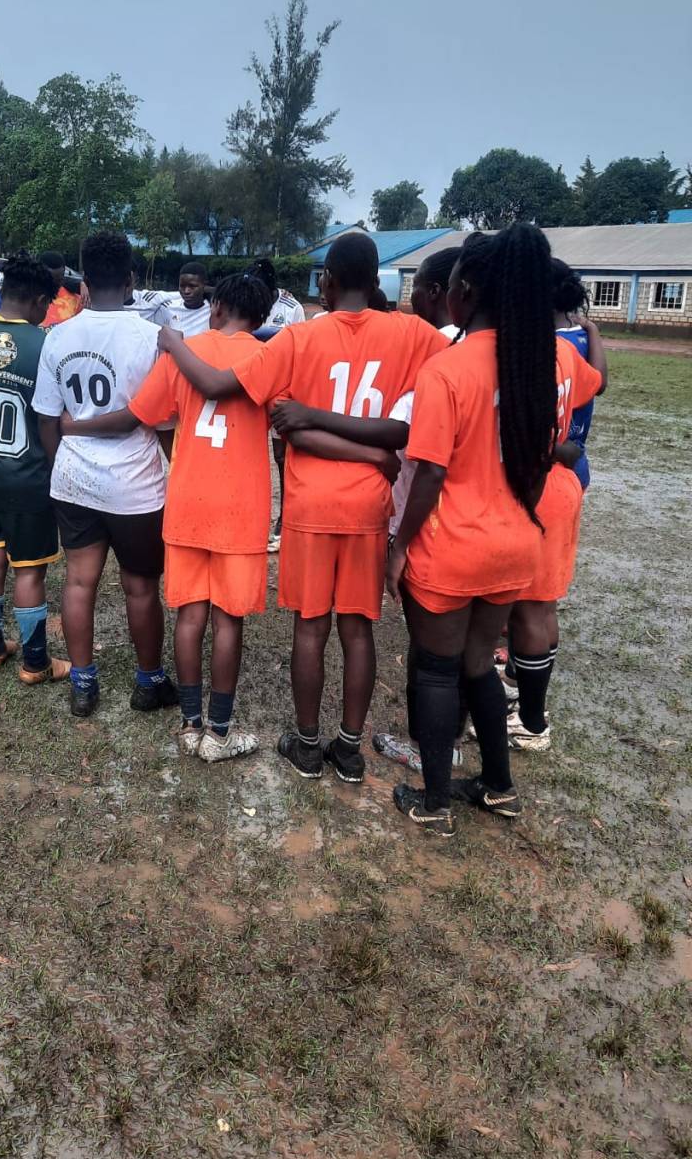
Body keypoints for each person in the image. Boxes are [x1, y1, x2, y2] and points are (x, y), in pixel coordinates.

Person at [159, 230, 447, 784]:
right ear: (378, 279)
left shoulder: (298, 339)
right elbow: (447, 365)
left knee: (311, 628)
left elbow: (228, 388)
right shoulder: (412, 333)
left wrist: (173, 342)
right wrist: (380, 454)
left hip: (310, 503)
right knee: (359, 628)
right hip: (370, 504)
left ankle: (308, 744)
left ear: (327, 282)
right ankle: (350, 748)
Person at [386, 223, 565, 836]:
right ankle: (497, 787)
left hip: (452, 547)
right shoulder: (537, 367)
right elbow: (544, 460)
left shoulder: (448, 370)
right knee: (478, 665)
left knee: (436, 667)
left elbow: (429, 471)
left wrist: (400, 544)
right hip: (515, 546)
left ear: (465, 289)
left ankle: (435, 802)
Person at [60, 271, 280, 761]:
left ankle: (189, 725)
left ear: (216, 308)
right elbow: (285, 419)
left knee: (190, 614)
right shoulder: (269, 357)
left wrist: (75, 427)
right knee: (229, 621)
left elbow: (142, 412)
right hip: (241, 510)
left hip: (186, 505)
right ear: (261, 318)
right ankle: (219, 735)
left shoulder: (184, 352)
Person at [33, 231, 177, 718]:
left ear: (84, 284)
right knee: (140, 586)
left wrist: (63, 466)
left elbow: (47, 419)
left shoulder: (59, 335)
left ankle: (83, 682)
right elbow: (159, 420)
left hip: (75, 478)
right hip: (135, 485)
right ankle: (148, 681)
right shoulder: (151, 338)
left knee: (78, 583)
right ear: (132, 280)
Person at [503, 260, 606, 751]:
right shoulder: (567, 353)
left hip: (541, 488)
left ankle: (532, 721)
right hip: (563, 485)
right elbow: (597, 383)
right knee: (541, 605)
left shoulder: (536, 356)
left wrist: (553, 448)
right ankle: (526, 699)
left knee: (528, 608)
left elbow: (524, 435)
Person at [0, 252, 70, 684]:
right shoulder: (47, 345)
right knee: (29, 569)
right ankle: (35, 662)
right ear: (41, 300)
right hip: (25, 477)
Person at [373, 245, 463, 775]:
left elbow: (410, 441)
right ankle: (457, 738)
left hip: (435, 524)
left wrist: (399, 544)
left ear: (438, 292)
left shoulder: (443, 360)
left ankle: (432, 749)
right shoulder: (518, 354)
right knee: (468, 654)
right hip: (495, 524)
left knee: (431, 654)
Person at [248, 259, 307, 550]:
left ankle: (284, 520)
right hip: (252, 387)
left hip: (282, 389)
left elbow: (301, 348)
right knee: (251, 453)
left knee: (283, 458)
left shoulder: (290, 307)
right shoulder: (247, 299)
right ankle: (253, 519)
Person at [552, 262, 602, 492]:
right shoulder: (582, 335)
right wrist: (593, 330)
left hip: (555, 461)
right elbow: (600, 383)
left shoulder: (553, 346)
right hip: (578, 457)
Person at [155, 262, 211, 338]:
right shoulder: (167, 308)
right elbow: (158, 338)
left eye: (192, 286)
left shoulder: (212, 310)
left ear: (204, 285)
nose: (186, 291)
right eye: (182, 286)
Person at [39, 250, 86, 328]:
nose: (57, 284)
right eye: (52, 280)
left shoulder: (75, 298)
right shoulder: (29, 298)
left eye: (60, 279)